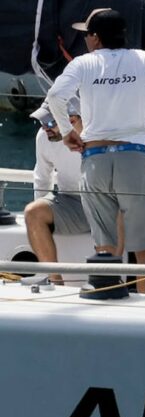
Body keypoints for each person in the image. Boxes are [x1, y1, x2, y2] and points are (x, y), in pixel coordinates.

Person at [45, 8, 145, 295]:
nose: (86, 40)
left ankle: (109, 299)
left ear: (96, 38)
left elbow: (55, 96)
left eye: (87, 35)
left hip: (95, 160)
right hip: (133, 159)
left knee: (105, 246)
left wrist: (67, 131)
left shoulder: (82, 64)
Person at [23, 99, 87, 285]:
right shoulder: (43, 137)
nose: (45, 128)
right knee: (32, 213)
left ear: (72, 120)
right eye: (42, 122)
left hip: (105, 203)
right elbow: (42, 177)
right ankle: (55, 282)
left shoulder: (97, 134)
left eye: (50, 123)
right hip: (72, 203)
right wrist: (42, 222)